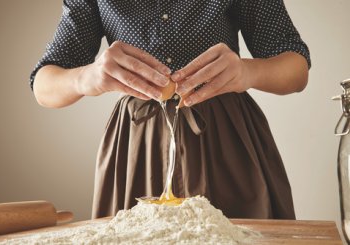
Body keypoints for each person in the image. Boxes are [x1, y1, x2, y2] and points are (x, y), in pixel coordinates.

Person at [31, 0, 310, 220]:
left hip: (227, 141)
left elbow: (295, 67)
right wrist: (88, 77)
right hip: (137, 148)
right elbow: (43, 85)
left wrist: (246, 72)